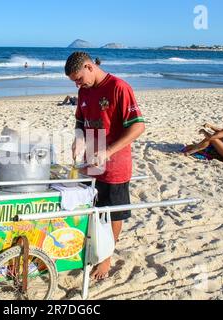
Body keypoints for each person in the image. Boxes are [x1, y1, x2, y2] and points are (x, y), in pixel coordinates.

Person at [65, 52, 145, 280]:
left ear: (90, 67)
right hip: (90, 161)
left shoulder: (119, 87)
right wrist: (78, 139)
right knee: (90, 207)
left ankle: (106, 257)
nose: (78, 84)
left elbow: (138, 127)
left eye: (79, 78)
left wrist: (108, 151)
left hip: (115, 164)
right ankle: (91, 245)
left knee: (112, 213)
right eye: (74, 82)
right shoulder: (83, 91)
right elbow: (80, 120)